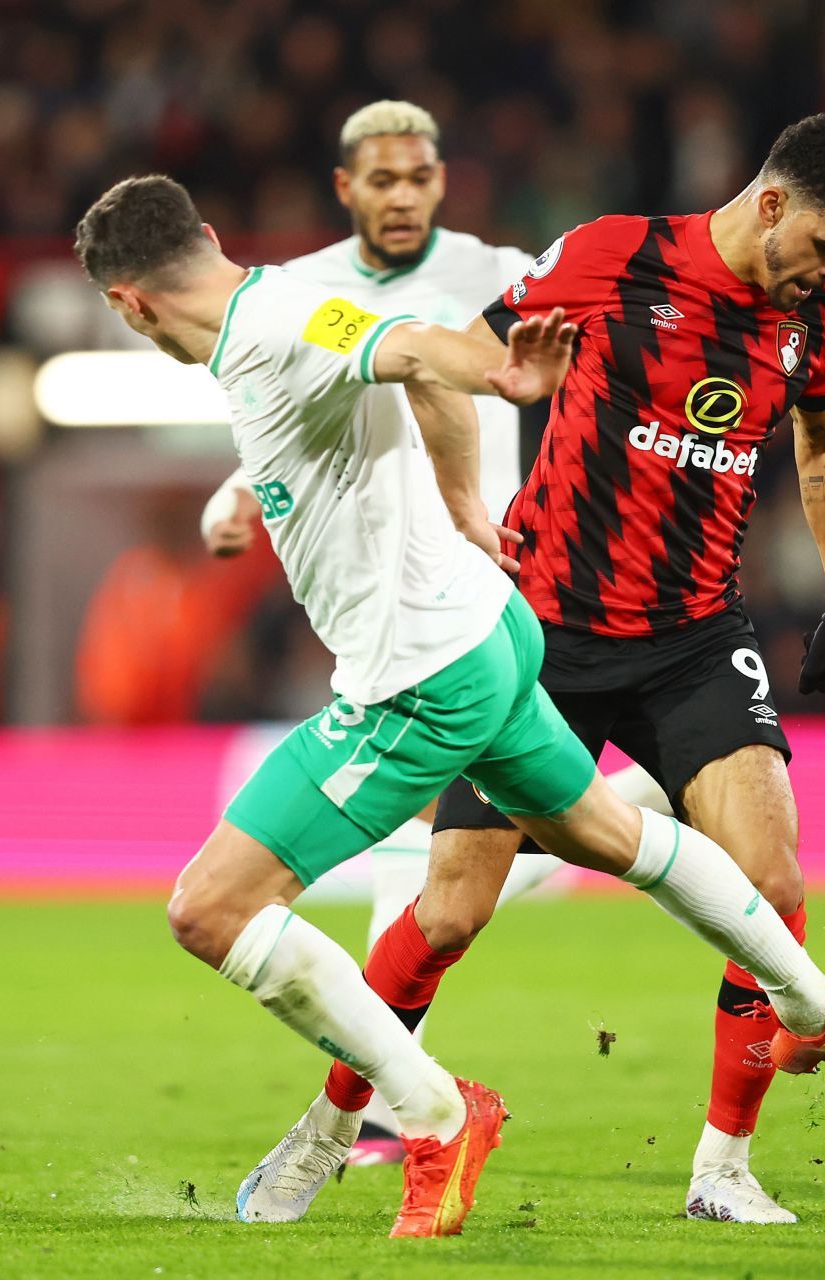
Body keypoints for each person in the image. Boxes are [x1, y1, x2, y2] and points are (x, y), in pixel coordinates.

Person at [73, 174, 825, 1238]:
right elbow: (409, 356)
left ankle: (438, 1115)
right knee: (599, 837)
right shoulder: (282, 311)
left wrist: (499, 376)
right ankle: (816, 1004)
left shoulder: (273, 328)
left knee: (208, 909)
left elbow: (416, 348)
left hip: (427, 681)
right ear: (210, 237)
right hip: (511, 630)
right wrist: (465, 492)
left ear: (127, 306)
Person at [199, 100, 672, 1165]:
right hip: (393, 585)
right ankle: (634, 811)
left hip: (501, 579)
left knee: (434, 859)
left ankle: (384, 1102)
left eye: (418, 178)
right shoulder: (303, 289)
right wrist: (237, 492)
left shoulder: (498, 272)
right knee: (460, 871)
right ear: (346, 187)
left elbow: (607, 368)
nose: (402, 196)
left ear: (441, 180)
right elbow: (295, 406)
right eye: (382, 180)